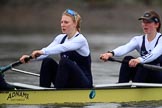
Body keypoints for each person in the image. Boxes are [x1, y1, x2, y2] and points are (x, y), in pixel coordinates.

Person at [20, 9, 93, 88]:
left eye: (66, 22)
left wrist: (42, 51)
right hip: (67, 81)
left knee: (64, 62)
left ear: (74, 24)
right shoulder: (60, 38)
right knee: (47, 61)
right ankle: (43, 91)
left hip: (83, 83)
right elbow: (46, 52)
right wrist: (29, 58)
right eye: (61, 22)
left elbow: (63, 47)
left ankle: (57, 93)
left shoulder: (80, 40)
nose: (62, 25)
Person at [100, 10, 162, 83]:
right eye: (143, 22)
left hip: (158, 77)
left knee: (145, 63)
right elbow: (125, 48)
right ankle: (121, 86)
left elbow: (154, 54)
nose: (145, 24)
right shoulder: (138, 39)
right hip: (145, 75)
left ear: (156, 25)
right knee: (127, 59)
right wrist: (110, 54)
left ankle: (135, 89)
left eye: (148, 22)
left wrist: (139, 60)